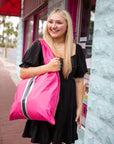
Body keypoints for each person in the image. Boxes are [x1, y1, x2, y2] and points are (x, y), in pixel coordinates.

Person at [19, 9, 87, 144]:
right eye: (50, 22)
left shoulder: (76, 49)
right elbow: (23, 73)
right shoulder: (40, 46)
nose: (53, 26)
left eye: (58, 22)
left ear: (67, 26)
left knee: (62, 140)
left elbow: (79, 81)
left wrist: (79, 108)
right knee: (42, 140)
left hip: (67, 105)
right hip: (44, 103)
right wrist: (47, 68)